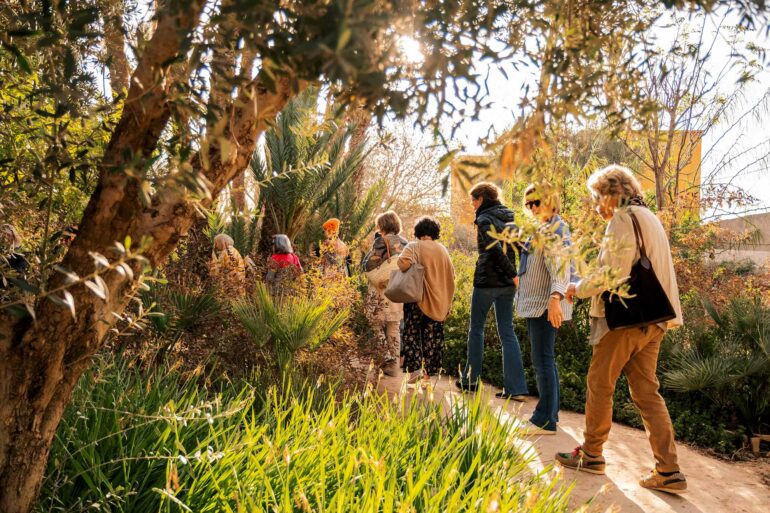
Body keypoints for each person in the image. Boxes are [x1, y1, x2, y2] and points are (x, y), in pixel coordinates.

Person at [555, 165, 686, 494]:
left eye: (597, 198)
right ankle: (668, 471)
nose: (596, 206)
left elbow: (611, 275)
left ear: (612, 194)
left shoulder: (623, 219)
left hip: (627, 320)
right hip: (655, 319)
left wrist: (576, 288)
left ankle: (592, 455)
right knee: (646, 393)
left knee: (600, 384)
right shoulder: (650, 218)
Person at [456, 182, 528, 401]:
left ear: (482, 199)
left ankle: (470, 380)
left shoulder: (484, 219)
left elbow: (494, 250)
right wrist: (515, 274)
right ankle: (515, 388)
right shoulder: (509, 217)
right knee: (507, 331)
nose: (472, 205)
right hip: (507, 285)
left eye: (473, 200)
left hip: (487, 282)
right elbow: (519, 246)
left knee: (476, 329)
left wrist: (514, 275)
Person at [516, 184, 573, 435]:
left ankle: (544, 420)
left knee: (542, 361)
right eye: (528, 204)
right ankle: (551, 414)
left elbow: (560, 265)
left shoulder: (554, 229)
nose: (532, 208)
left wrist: (554, 299)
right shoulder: (544, 228)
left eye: (536, 202)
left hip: (544, 304)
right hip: (538, 302)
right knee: (545, 359)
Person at [397, 217, 455, 385]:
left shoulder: (413, 246)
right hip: (438, 301)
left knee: (412, 333)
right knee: (432, 337)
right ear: (434, 232)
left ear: (418, 232)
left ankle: (415, 371)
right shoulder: (443, 250)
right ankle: (428, 375)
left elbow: (403, 264)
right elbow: (451, 275)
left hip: (417, 299)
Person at [363, 211, 408, 377]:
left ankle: (386, 357)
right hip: (397, 291)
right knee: (394, 326)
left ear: (382, 226)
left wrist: (375, 244)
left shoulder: (381, 242)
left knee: (374, 322)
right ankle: (394, 366)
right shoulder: (405, 243)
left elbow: (368, 265)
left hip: (380, 290)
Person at [209, 233, 246, 298]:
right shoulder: (232, 250)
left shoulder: (227, 252)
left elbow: (228, 269)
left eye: (216, 243)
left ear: (222, 243)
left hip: (232, 285)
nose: (215, 246)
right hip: (237, 283)